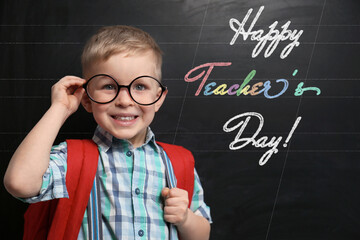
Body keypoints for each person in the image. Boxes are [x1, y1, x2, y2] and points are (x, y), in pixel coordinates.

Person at [4, 25, 211, 240]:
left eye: (140, 86)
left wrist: (185, 218)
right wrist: (60, 109)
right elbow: (19, 183)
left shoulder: (179, 162)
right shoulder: (72, 159)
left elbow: (202, 235)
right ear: (86, 99)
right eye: (109, 86)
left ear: (158, 98)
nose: (124, 100)